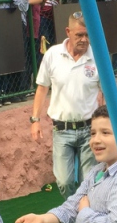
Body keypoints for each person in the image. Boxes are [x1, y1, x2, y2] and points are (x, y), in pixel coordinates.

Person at [30, 12, 101, 199]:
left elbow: (108, 94)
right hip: (62, 129)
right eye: (79, 35)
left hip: (89, 129)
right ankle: (72, 210)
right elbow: (42, 89)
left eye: (87, 35)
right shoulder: (53, 54)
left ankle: (85, 218)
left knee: (89, 180)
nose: (84, 40)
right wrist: (35, 120)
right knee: (64, 181)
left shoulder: (98, 56)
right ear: (68, 31)